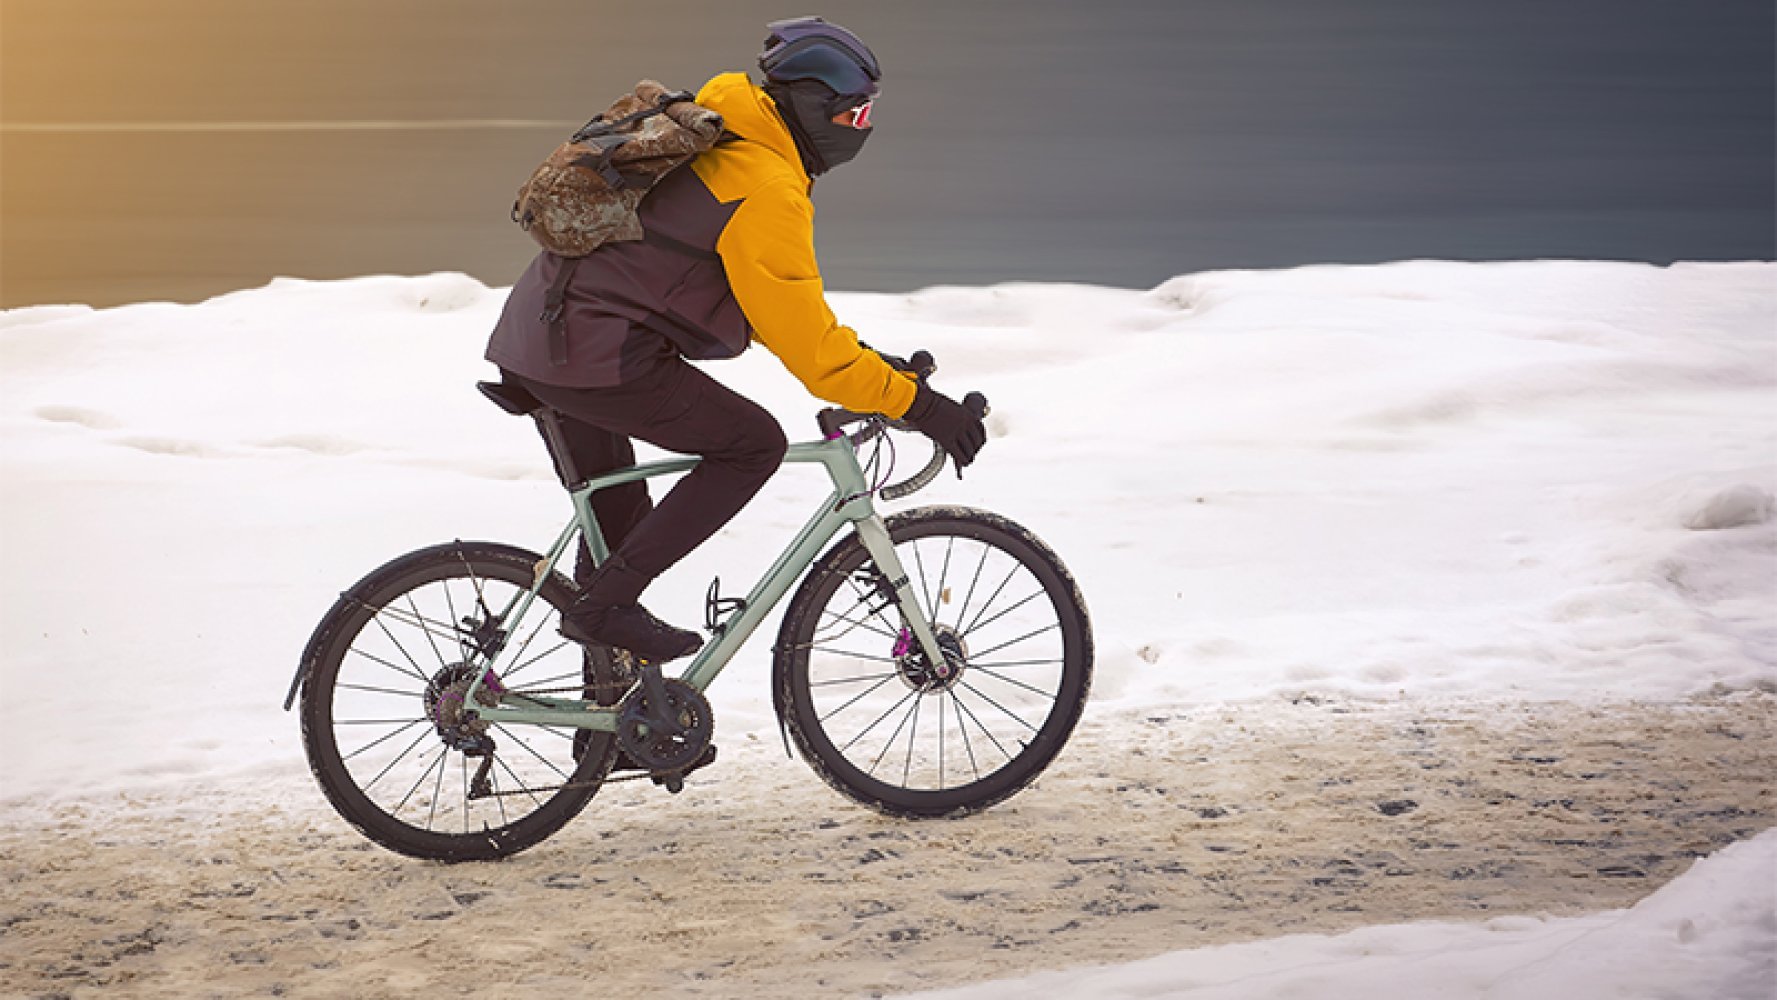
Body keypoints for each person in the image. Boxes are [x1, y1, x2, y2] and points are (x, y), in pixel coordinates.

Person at [485, 16, 988, 664]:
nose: (863, 129)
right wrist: (922, 408)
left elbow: (766, 309)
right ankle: (605, 608)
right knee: (751, 445)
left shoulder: (717, 134)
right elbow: (811, 352)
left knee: (618, 519)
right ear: (817, 108)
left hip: (540, 337)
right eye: (857, 116)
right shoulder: (767, 186)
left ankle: (605, 727)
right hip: (595, 353)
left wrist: (874, 369)